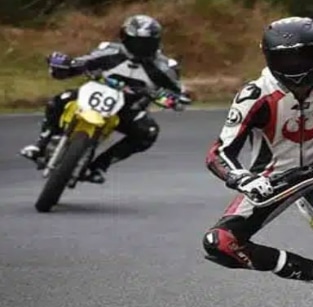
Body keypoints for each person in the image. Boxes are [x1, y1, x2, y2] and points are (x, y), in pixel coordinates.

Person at [202, 17, 313, 303]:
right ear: (269, 59)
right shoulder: (255, 95)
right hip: (272, 180)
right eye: (286, 60)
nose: (297, 67)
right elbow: (219, 152)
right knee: (220, 243)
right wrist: (243, 179)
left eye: (305, 56)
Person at [19, 14, 190, 184]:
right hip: (93, 93)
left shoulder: (165, 67)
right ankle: (41, 145)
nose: (140, 47)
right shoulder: (110, 50)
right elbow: (82, 63)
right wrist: (64, 64)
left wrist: (173, 99)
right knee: (59, 100)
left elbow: (178, 93)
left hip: (129, 108)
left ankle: (99, 166)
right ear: (124, 37)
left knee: (148, 132)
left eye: (146, 43)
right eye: (135, 41)